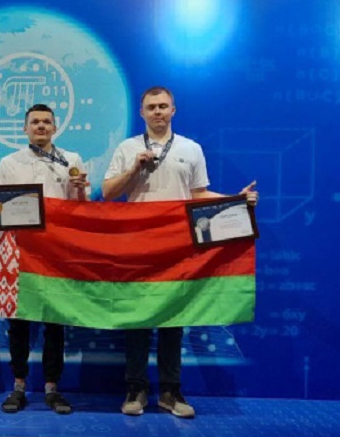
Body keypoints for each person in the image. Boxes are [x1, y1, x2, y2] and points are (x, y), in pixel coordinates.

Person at [102, 86, 258, 418]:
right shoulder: (127, 147)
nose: (157, 111)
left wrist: (236, 201)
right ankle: (136, 388)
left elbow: (198, 195)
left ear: (173, 110)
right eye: (151, 107)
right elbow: (108, 193)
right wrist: (133, 169)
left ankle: (170, 391)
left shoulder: (191, 148)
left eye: (163, 106)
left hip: (177, 246)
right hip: (137, 245)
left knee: (173, 320)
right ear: (141, 113)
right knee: (137, 319)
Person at [0, 104, 89, 415]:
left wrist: (80, 192)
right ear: (25, 129)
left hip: (56, 255)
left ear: (55, 127)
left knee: (55, 325)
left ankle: (52, 388)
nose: (41, 126)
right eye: (35, 122)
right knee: (19, 324)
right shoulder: (9, 163)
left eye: (46, 122)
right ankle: (18, 386)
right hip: (19, 254)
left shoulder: (72, 161)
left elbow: (81, 209)